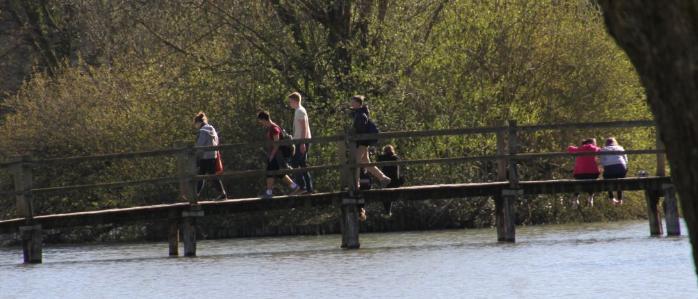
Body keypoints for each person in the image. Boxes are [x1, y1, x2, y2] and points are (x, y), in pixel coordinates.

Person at [349, 95, 391, 221]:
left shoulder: (361, 115)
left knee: (356, 163)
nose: (350, 103)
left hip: (361, 143)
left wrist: (354, 134)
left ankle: (355, 184)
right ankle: (383, 178)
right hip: (364, 143)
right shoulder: (360, 113)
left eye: (352, 101)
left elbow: (360, 130)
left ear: (357, 103)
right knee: (366, 163)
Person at [257, 110, 303, 198]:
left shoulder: (274, 128)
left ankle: (269, 193)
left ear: (264, 119)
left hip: (278, 155)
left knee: (270, 172)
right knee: (279, 173)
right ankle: (295, 187)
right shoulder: (271, 128)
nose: (261, 123)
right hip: (276, 154)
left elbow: (277, 144)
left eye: (261, 121)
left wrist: (271, 155)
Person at [193, 112, 227, 200]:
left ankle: (195, 195)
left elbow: (200, 145)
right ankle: (222, 194)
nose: (195, 126)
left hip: (205, 157)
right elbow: (217, 141)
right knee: (208, 175)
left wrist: (195, 155)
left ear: (198, 122)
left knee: (202, 175)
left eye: (195, 124)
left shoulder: (203, 131)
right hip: (213, 156)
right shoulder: (212, 129)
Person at [287, 92, 314, 194]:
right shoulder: (299, 110)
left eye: (290, 102)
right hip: (301, 140)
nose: (290, 104)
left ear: (295, 101)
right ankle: (308, 188)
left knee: (295, 163)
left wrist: (302, 143)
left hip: (301, 141)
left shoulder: (299, 111)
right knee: (302, 164)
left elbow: (304, 127)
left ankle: (302, 187)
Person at [567, 138, 601, 207]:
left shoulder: (579, 148)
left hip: (579, 174)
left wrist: (578, 148)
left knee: (578, 183)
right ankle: (590, 197)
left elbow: (569, 148)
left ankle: (575, 198)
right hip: (592, 174)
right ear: (593, 143)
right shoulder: (595, 148)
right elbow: (601, 150)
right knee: (594, 180)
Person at [377, 145, 405, 215]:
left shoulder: (383, 158)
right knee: (388, 195)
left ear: (385, 151)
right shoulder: (396, 158)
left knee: (385, 195)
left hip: (387, 183)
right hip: (395, 183)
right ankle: (388, 211)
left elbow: (378, 160)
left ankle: (387, 211)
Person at [600, 137, 628, 205]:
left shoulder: (603, 149)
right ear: (615, 142)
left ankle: (611, 198)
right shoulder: (620, 148)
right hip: (621, 169)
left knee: (607, 180)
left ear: (606, 143)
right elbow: (626, 160)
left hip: (610, 170)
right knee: (620, 181)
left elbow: (602, 162)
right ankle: (620, 199)